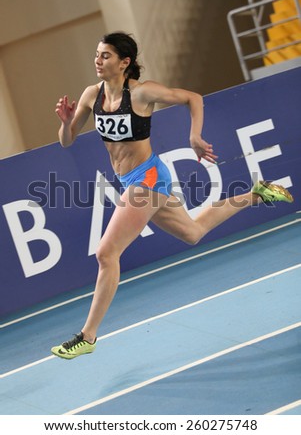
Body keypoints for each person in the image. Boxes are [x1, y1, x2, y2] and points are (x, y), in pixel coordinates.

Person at [51, 31, 293, 359]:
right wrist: (66, 124)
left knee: (107, 253)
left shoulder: (141, 93)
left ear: (124, 63)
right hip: (132, 180)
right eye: (97, 54)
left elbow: (193, 97)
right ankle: (256, 194)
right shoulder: (91, 95)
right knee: (192, 233)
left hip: (147, 178)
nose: (98, 60)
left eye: (105, 55)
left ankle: (87, 336)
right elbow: (67, 141)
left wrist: (194, 135)